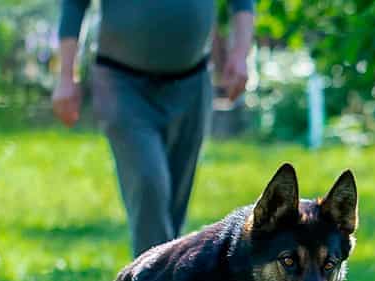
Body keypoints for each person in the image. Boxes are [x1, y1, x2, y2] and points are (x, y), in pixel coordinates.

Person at [52, 0, 255, 257]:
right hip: (122, 83)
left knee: (173, 208)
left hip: (191, 83)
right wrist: (66, 77)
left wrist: (240, 55)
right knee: (150, 184)